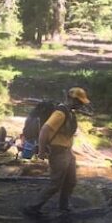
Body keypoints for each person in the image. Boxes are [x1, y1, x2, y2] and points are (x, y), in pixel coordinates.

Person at [23, 87, 91, 215]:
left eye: (82, 102)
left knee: (71, 181)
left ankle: (64, 206)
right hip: (58, 152)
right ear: (72, 99)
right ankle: (33, 207)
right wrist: (41, 152)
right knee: (55, 183)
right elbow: (44, 130)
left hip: (67, 152)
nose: (81, 105)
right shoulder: (60, 113)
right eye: (79, 102)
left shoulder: (70, 112)